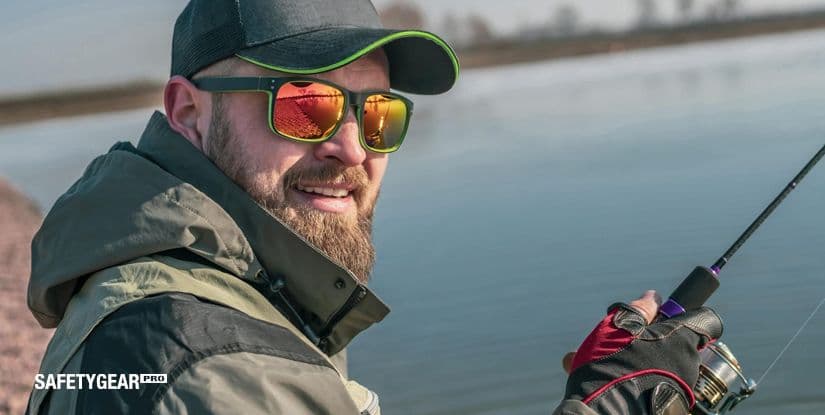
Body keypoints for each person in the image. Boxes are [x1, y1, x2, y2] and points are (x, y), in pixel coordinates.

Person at [25, 0, 722, 414]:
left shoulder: (170, 296)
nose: (352, 148)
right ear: (187, 110)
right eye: (305, 105)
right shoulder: (208, 364)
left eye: (378, 112)